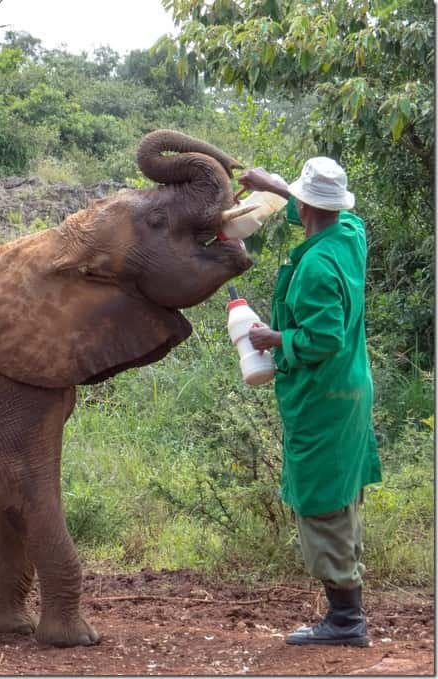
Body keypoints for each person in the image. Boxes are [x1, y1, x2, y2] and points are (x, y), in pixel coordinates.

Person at [237, 157, 382, 647]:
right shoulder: (349, 236)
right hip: (349, 391)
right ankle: (347, 611)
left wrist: (271, 338)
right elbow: (325, 210)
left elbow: (323, 339)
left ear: (303, 205)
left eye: (297, 197)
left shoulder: (318, 265)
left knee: (322, 502)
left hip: (324, 396)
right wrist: (271, 185)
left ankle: (346, 621)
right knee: (341, 496)